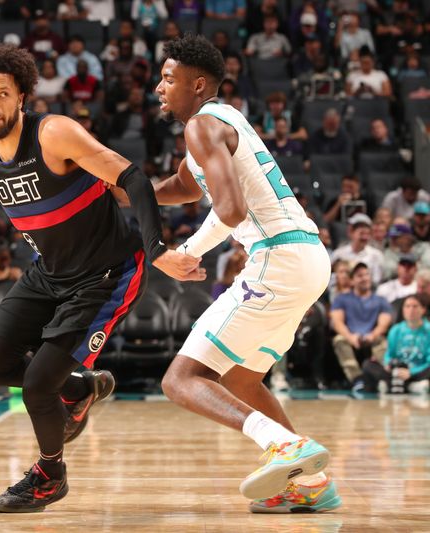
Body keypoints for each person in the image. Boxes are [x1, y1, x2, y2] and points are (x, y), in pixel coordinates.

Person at [0, 41, 200, 513]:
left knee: (35, 387)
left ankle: (50, 475)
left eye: (3, 94)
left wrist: (158, 250)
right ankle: (79, 387)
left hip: (108, 274)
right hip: (50, 273)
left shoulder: (54, 134)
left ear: (22, 96)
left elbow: (132, 179)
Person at [152, 35, 340, 513]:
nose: (159, 87)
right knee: (240, 378)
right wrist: (119, 191)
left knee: (181, 379)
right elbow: (182, 187)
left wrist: (187, 252)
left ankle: (286, 447)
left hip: (277, 258)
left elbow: (230, 209)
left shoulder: (200, 126)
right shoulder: (223, 120)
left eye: (168, 79)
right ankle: (311, 483)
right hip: (307, 258)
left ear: (197, 85)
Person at [330, 263, 392, 393]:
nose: (364, 278)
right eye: (359, 276)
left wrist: (373, 335)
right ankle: (357, 379)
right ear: (352, 280)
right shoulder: (342, 299)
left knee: (381, 341)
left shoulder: (380, 300)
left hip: (372, 336)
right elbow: (337, 322)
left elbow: (384, 323)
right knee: (339, 340)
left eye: (366, 274)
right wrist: (351, 337)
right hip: (351, 336)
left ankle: (385, 376)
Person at [361, 294, 430, 394]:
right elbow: (389, 355)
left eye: (415, 306)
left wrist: (411, 372)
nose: (411, 310)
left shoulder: (428, 330)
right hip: (397, 370)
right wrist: (388, 364)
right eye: (407, 306)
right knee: (368, 364)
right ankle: (410, 386)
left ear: (423, 309)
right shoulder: (396, 330)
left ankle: (393, 385)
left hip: (419, 370)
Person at [331, 213, 385, 285]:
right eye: (361, 233)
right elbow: (330, 280)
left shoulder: (376, 255)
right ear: (351, 232)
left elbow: (377, 281)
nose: (364, 238)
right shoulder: (338, 254)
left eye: (367, 234)